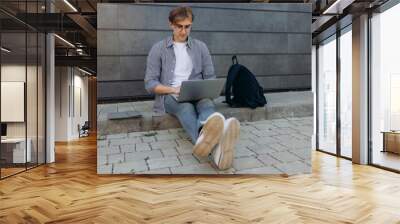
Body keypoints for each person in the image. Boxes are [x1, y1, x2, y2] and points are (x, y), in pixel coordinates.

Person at [144, 6, 240, 170]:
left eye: (187, 26)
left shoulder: (200, 47)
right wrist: (173, 89)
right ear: (171, 25)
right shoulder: (158, 49)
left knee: (206, 104)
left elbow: (210, 76)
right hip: (171, 95)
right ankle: (219, 147)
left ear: (191, 25)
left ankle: (212, 143)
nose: (183, 31)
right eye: (179, 26)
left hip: (197, 91)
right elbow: (150, 83)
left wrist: (207, 88)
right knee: (186, 108)